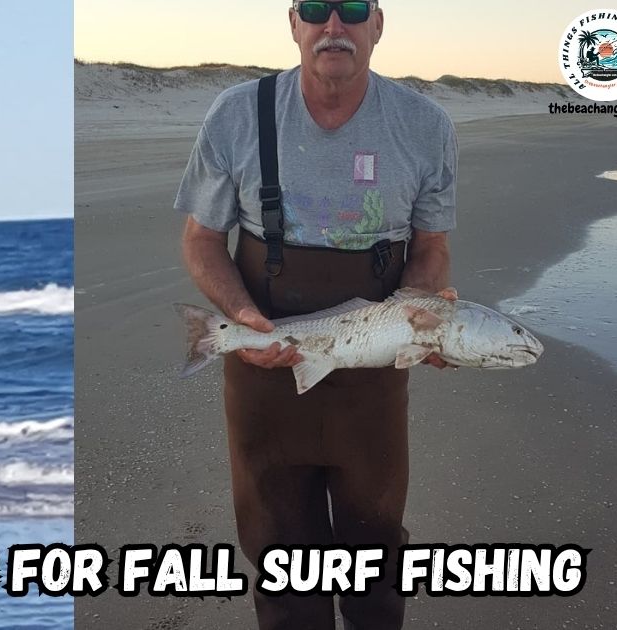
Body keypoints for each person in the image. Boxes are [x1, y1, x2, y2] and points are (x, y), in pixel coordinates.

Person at [175, 1, 457, 628]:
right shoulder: (238, 114)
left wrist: (424, 312)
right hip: (264, 366)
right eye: (316, 8)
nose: (335, 25)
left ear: (378, 24)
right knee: (278, 546)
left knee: (375, 543)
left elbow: (432, 251)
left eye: (354, 8)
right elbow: (200, 239)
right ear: (294, 22)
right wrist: (241, 317)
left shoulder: (424, 125)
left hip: (373, 374)